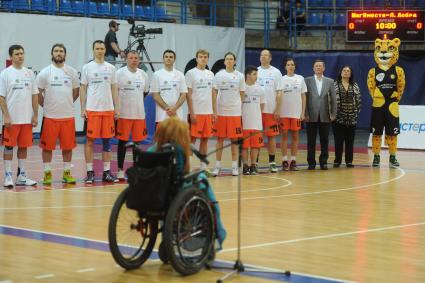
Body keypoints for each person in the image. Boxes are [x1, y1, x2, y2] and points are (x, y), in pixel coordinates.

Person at [152, 117, 226, 248]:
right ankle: (218, 232)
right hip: (173, 191)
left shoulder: (152, 150)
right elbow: (183, 174)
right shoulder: (177, 151)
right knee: (202, 180)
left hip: (154, 193)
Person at [37, 43, 80, 185]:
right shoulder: (45, 72)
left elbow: (76, 92)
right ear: (52, 54)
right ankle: (47, 174)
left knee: (68, 147)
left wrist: (66, 103)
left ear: (65, 54)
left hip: (67, 116)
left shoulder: (72, 72)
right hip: (50, 117)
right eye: (56, 51)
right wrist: (46, 105)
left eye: (61, 51)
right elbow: (38, 92)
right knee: (47, 147)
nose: (58, 53)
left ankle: (67, 174)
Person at [80, 40, 119, 184]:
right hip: (92, 110)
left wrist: (117, 108)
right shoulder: (87, 68)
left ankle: (107, 172)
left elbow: (114, 88)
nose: (100, 51)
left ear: (105, 50)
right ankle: (90, 172)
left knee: (107, 142)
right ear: (93, 50)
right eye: (97, 48)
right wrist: (83, 108)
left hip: (108, 110)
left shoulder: (111, 68)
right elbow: (83, 88)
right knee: (89, 141)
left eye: (102, 48)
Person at [0, 45, 38, 188]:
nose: (20, 56)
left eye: (22, 53)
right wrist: (6, 116)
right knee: (9, 147)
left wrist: (35, 115)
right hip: (12, 119)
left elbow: (35, 95)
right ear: (11, 57)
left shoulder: (29, 73)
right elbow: (1, 97)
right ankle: (8, 176)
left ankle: (21, 176)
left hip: (26, 119)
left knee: (23, 146)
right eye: (17, 54)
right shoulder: (5, 74)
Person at [367, 38, 405, 168]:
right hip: (378, 105)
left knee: (392, 133)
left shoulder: (398, 70)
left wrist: (394, 99)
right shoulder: (372, 71)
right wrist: (378, 98)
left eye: (389, 49)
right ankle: (376, 157)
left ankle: (392, 157)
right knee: (376, 132)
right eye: (380, 49)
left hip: (392, 105)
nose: (383, 52)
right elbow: (370, 87)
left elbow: (401, 87)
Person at [115, 51, 149, 180]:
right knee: (122, 142)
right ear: (126, 59)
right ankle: (120, 170)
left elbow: (145, 92)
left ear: (139, 60)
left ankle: (136, 169)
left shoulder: (143, 74)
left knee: (137, 144)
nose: (133, 60)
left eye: (136, 58)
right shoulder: (119, 73)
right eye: (131, 58)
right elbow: (115, 92)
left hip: (139, 114)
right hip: (123, 114)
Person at [211, 52, 245, 177]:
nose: (229, 61)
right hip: (221, 112)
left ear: (234, 61)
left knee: (234, 140)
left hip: (234, 112)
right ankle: (217, 166)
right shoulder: (219, 75)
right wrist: (214, 110)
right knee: (219, 139)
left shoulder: (240, 76)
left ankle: (234, 166)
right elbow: (214, 92)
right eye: (227, 59)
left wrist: (237, 106)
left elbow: (242, 93)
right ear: (224, 61)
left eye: (231, 59)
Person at [304, 59, 337, 170]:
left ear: (324, 68)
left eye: (320, 66)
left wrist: (333, 114)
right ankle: (311, 162)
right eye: (316, 66)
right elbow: (305, 98)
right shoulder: (307, 80)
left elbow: (333, 99)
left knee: (324, 140)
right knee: (311, 140)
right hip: (311, 115)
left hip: (325, 115)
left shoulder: (330, 81)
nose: (318, 68)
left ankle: (323, 161)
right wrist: (305, 114)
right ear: (313, 68)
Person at [185, 49, 214, 170]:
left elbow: (213, 94)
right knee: (191, 140)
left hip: (207, 112)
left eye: (205, 57)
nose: (203, 59)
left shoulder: (211, 74)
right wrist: (192, 112)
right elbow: (188, 94)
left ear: (207, 59)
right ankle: (189, 167)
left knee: (205, 140)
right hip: (196, 113)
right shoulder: (191, 73)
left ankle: (203, 167)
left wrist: (214, 112)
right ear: (196, 59)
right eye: (201, 57)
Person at [257, 49, 283, 173]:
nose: (263, 57)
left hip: (271, 110)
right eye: (262, 55)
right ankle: (254, 162)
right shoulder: (255, 72)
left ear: (270, 58)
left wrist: (277, 109)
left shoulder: (276, 72)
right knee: (257, 136)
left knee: (271, 137)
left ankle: (272, 162)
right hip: (256, 111)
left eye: (266, 55)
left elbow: (279, 92)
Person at [279, 58, 306, 171]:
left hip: (296, 113)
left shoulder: (300, 79)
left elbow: (303, 96)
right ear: (285, 67)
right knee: (284, 136)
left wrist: (303, 112)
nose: (290, 66)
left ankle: (293, 160)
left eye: (292, 65)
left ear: (295, 67)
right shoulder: (281, 79)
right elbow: (279, 96)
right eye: (288, 64)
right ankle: (284, 160)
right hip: (284, 113)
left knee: (295, 136)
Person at [333, 66, 361, 168]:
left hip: (352, 119)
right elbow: (330, 100)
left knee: (350, 142)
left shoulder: (355, 85)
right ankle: (337, 160)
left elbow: (358, 100)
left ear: (350, 74)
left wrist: (356, 112)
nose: (346, 72)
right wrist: (333, 114)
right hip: (338, 119)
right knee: (338, 141)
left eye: (348, 71)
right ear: (341, 73)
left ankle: (349, 161)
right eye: (344, 70)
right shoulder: (334, 85)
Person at [151, 50, 188, 124]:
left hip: (177, 115)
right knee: (162, 136)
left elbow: (183, 94)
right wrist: (167, 108)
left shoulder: (180, 75)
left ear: (174, 60)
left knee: (176, 136)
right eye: (166, 57)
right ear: (163, 59)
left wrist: (175, 108)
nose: (168, 58)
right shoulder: (157, 74)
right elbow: (155, 95)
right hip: (162, 115)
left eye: (171, 57)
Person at [242, 66, 265, 175]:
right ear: (248, 75)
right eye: (254, 74)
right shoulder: (241, 88)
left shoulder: (260, 89)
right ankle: (245, 166)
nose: (256, 76)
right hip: (244, 122)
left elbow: (262, 106)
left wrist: (256, 115)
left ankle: (253, 165)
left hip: (256, 122)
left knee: (255, 146)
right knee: (244, 146)